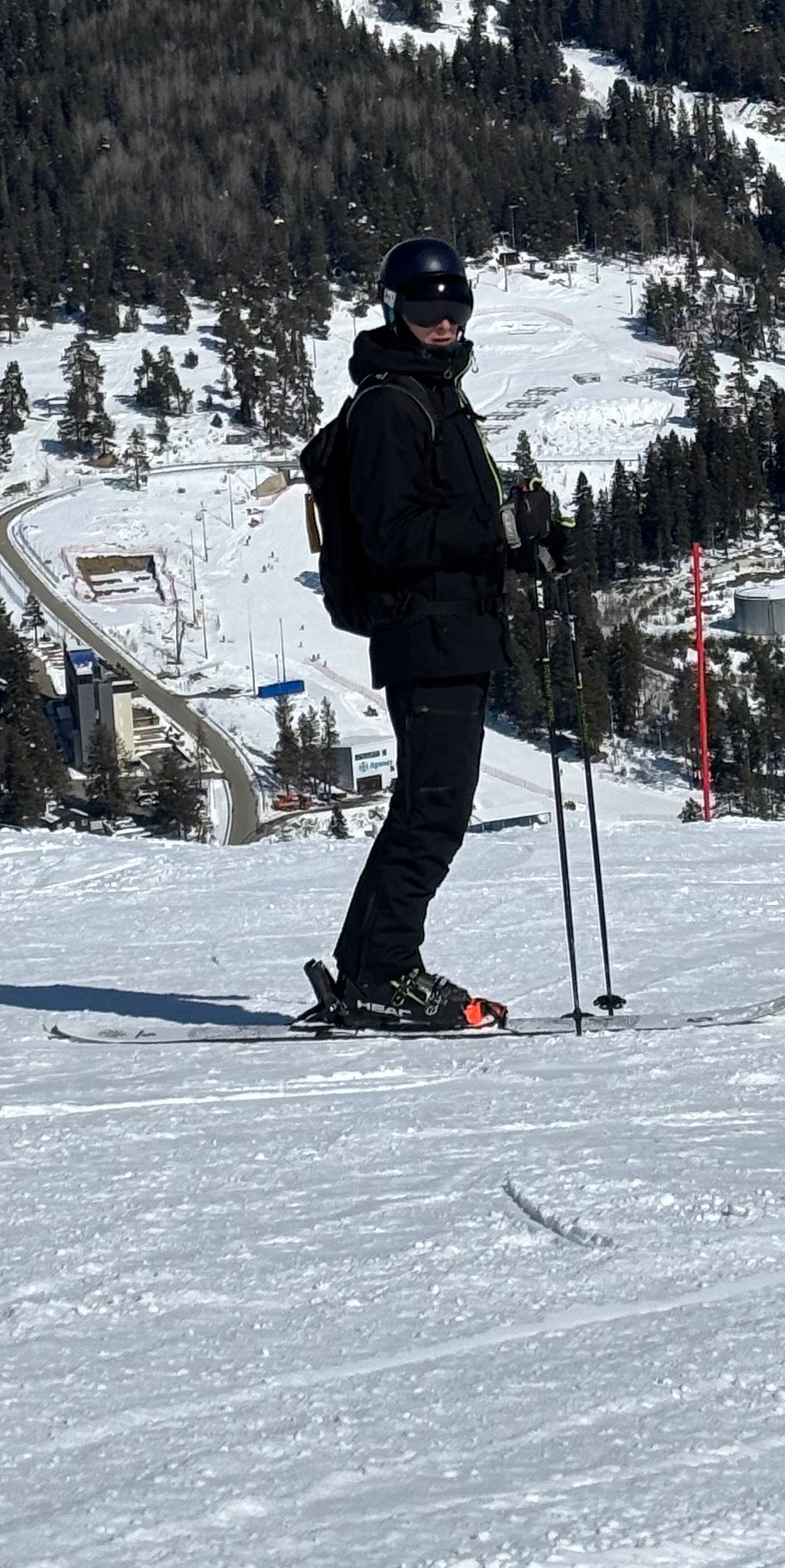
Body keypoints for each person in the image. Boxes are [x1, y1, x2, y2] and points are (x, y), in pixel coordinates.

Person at [310, 234, 561, 1031]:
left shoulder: (437, 392)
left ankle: (368, 968)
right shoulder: (392, 405)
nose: (445, 321)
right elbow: (394, 536)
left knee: (426, 806)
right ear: (394, 309)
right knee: (435, 811)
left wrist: (528, 539)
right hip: (425, 633)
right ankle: (383, 971)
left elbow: (459, 524)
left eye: (456, 305)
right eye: (426, 307)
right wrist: (493, 526)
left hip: (456, 628)